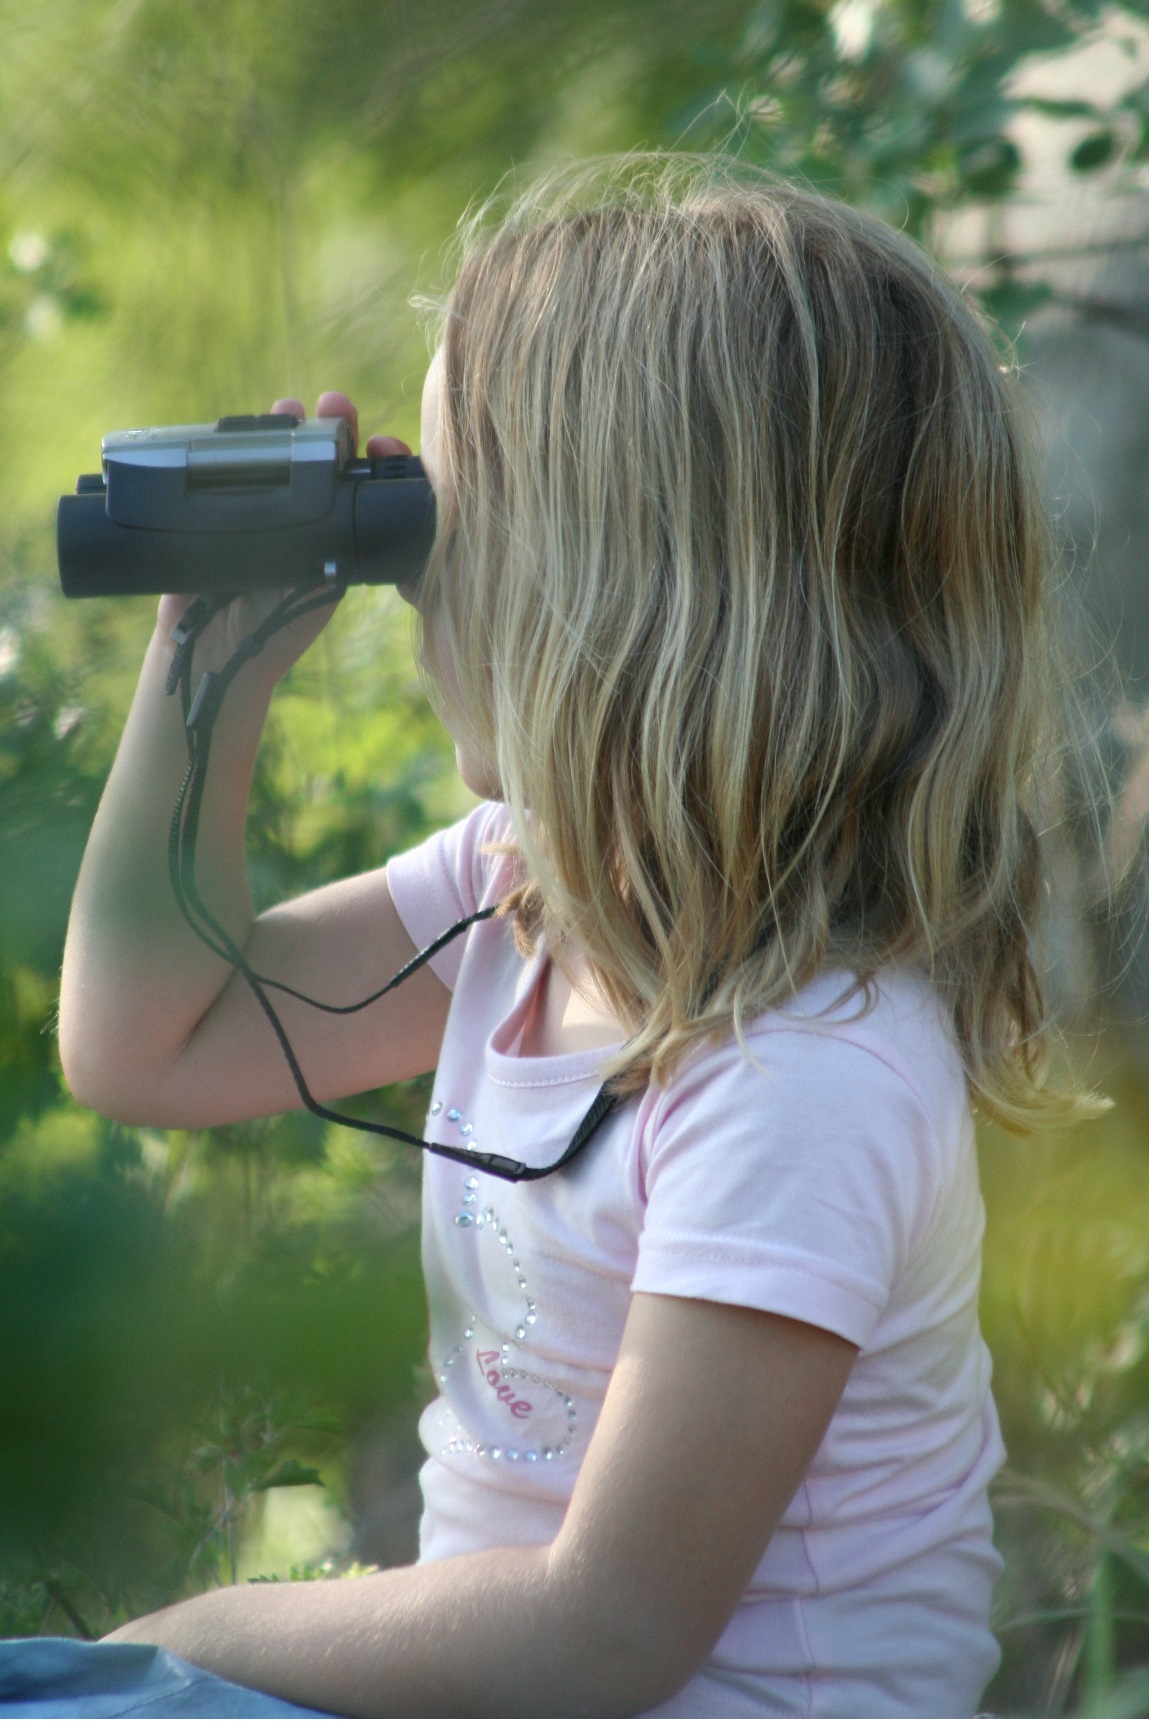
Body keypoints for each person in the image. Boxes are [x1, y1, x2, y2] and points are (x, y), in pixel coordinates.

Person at [53, 155, 1099, 1718]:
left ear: (625, 596)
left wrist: (189, 1635)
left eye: (443, 526)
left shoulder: (806, 1065)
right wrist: (207, 669)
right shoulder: (519, 895)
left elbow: (604, 1634)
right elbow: (145, 1043)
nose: (413, 587)